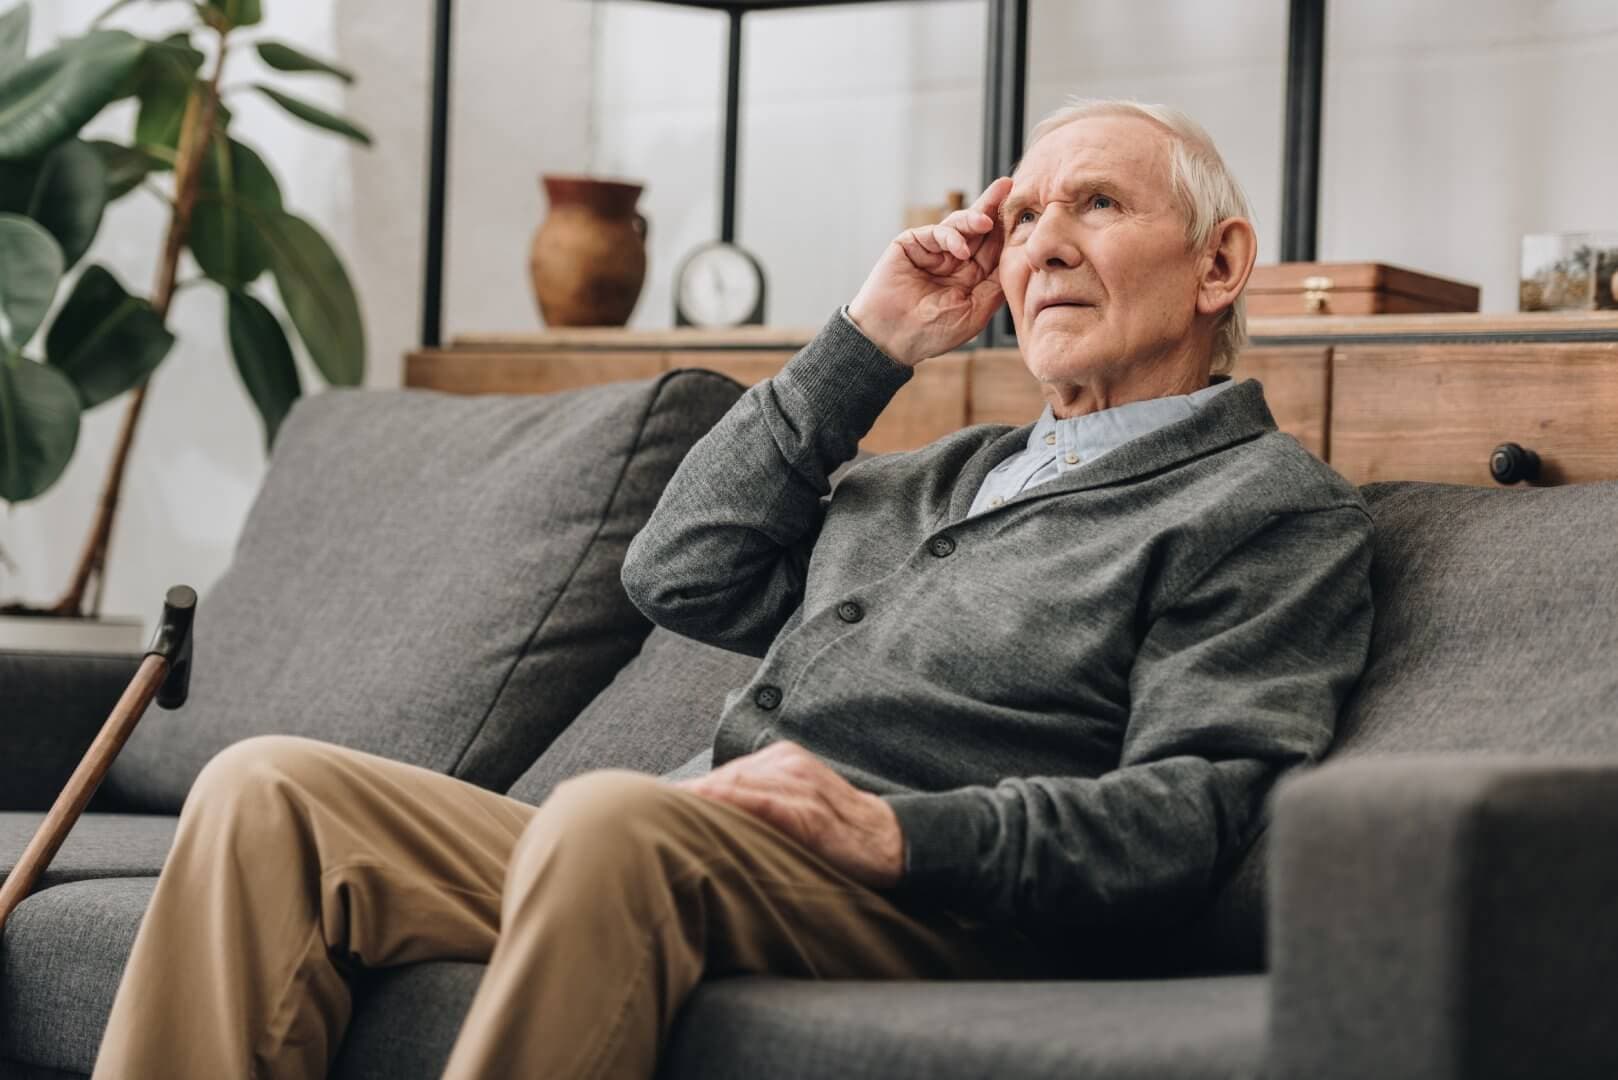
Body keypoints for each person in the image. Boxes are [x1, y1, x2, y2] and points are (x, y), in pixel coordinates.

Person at [91, 98, 1373, 1080]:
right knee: (272, 789)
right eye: (1022, 215)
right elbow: (681, 569)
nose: (1040, 246)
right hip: (701, 844)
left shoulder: (1258, 509)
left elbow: (1193, 814)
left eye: (1093, 205)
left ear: (1218, 266)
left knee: (610, 820)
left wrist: (894, 834)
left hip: (933, 905)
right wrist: (867, 343)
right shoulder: (932, 478)